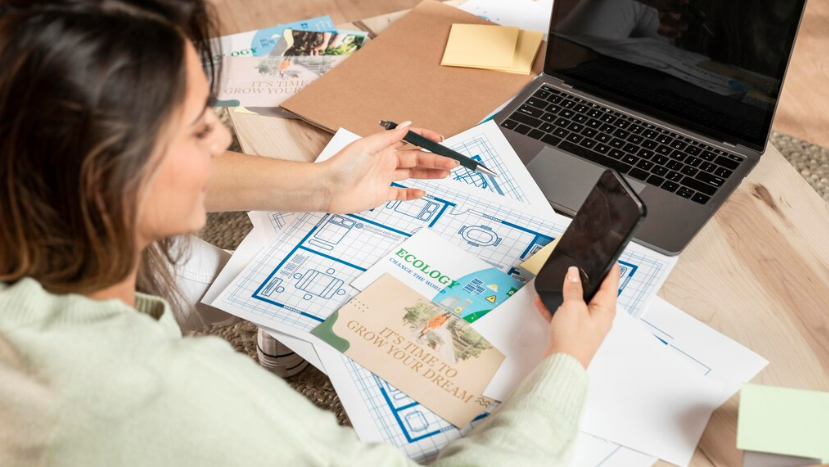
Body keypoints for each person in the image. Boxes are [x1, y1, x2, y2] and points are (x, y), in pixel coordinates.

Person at [0, 0, 619, 465]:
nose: (221, 140)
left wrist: (324, 185)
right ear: (102, 180)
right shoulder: (172, 395)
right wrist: (565, 365)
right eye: (195, 130)